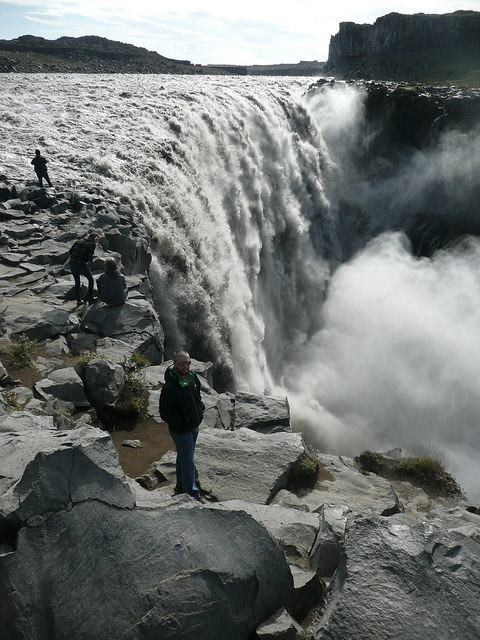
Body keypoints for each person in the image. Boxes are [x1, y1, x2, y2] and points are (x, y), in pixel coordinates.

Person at [159, 350, 205, 502]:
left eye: (188, 363)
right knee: (188, 462)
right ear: (174, 364)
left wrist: (201, 409)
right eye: (182, 363)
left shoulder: (192, 377)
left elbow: (197, 394)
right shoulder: (170, 387)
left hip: (194, 426)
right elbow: (164, 413)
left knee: (183, 458)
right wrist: (182, 422)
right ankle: (192, 495)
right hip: (181, 430)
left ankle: (180, 486)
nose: (185, 366)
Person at [69, 232, 100, 306]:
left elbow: (70, 251)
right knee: (91, 280)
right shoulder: (91, 245)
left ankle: (79, 301)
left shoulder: (78, 241)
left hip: (72, 263)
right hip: (81, 264)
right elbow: (88, 257)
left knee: (77, 282)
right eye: (97, 240)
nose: (97, 242)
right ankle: (90, 297)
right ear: (94, 239)